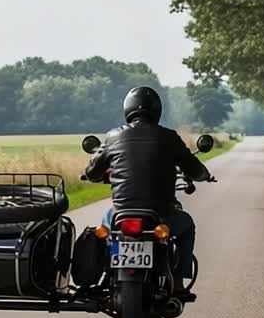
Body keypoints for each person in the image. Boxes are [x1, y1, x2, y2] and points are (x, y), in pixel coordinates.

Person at [83, 86, 214, 302]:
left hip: (121, 214)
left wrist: (93, 175)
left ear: (128, 110)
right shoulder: (169, 137)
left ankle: (106, 276)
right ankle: (179, 283)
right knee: (186, 225)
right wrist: (203, 175)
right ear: (156, 111)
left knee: (105, 230)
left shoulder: (113, 137)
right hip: (161, 214)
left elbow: (92, 171)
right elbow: (194, 168)